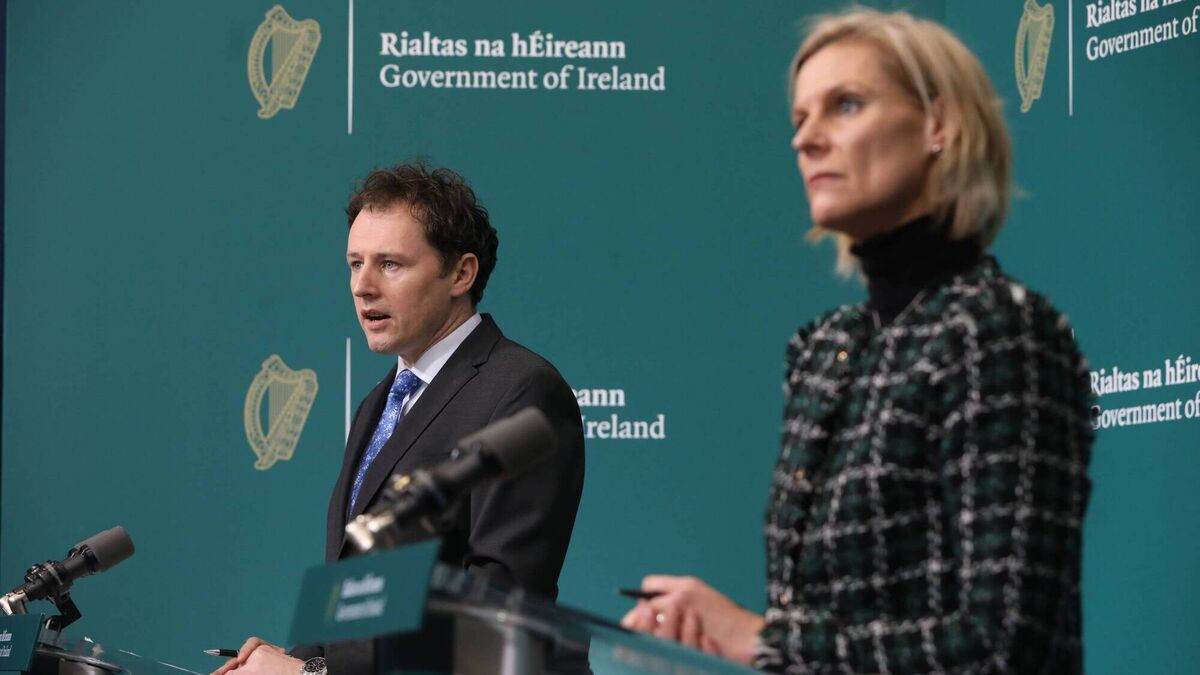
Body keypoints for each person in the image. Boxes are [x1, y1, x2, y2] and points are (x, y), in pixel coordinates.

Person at [621, 9, 1093, 673]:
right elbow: (826, 625)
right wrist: (727, 639)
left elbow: (1001, 645)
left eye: (845, 105)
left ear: (939, 125)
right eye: (799, 118)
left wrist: (764, 639)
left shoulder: (998, 329)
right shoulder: (822, 348)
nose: (805, 139)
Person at [215, 163, 586, 675]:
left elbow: (500, 611)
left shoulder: (521, 390)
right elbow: (350, 599)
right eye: (355, 264)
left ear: (461, 273)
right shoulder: (377, 403)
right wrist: (289, 660)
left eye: (389, 264)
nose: (362, 287)